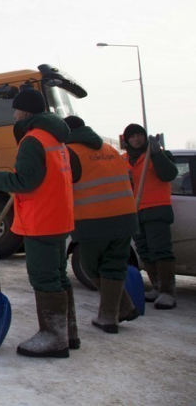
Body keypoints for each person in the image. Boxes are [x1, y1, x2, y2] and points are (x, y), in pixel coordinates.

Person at [0, 88, 75, 358]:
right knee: (57, 275)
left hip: (42, 220)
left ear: (26, 112)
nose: (14, 114)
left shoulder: (33, 140)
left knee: (45, 278)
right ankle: (68, 333)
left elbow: (24, 182)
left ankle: (54, 338)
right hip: (59, 217)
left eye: (17, 109)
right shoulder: (56, 137)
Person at [64, 116, 139, 333]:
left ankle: (120, 309)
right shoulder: (110, 149)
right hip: (125, 217)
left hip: (93, 220)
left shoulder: (69, 152)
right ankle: (111, 316)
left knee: (89, 266)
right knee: (114, 265)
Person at [121, 123, 178, 309]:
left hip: (157, 210)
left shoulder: (156, 155)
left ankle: (167, 292)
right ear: (127, 140)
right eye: (132, 136)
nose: (136, 139)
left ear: (145, 137)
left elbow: (169, 174)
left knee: (160, 250)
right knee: (144, 251)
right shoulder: (124, 160)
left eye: (139, 135)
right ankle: (156, 287)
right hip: (135, 211)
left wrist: (157, 154)